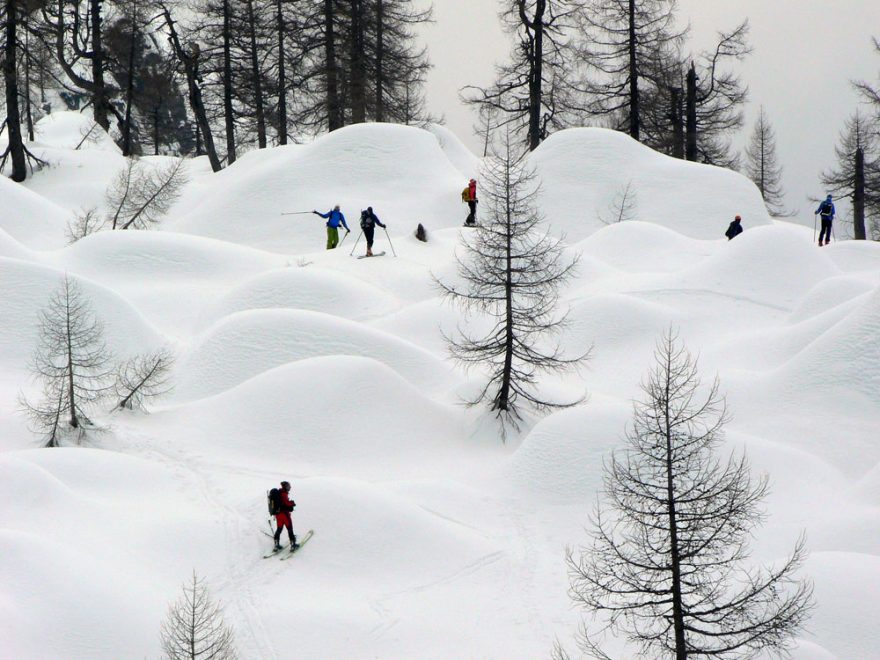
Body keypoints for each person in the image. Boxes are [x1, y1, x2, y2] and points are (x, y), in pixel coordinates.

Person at [272, 480, 298, 551]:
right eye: (288, 486)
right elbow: (286, 503)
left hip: (278, 515)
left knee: (279, 529)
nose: (289, 487)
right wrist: (292, 503)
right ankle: (293, 545)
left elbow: (282, 503)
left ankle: (276, 545)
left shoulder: (279, 493)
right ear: (285, 487)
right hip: (284, 515)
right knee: (290, 528)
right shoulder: (283, 493)